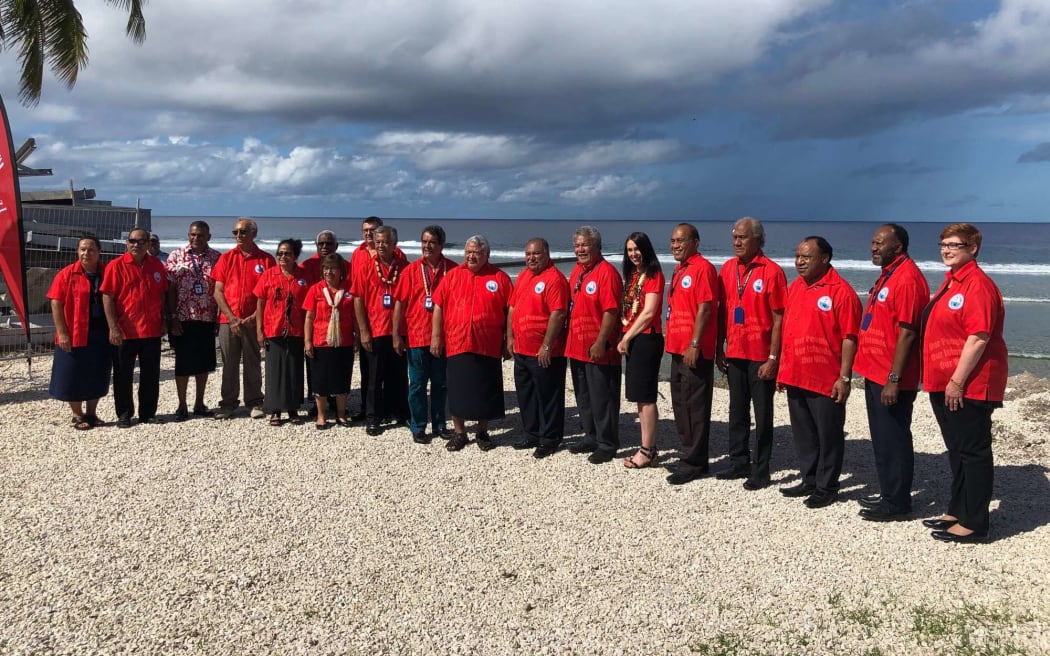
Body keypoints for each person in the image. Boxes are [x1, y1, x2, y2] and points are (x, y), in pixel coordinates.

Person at [921, 223, 1007, 543]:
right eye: (943, 244)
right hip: (943, 380)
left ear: (973, 249)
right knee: (956, 450)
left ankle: (975, 522)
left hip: (970, 383)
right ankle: (957, 510)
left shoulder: (978, 285)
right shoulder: (952, 280)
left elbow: (979, 337)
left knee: (973, 452)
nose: (947, 250)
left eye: (954, 245)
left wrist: (957, 381)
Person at [777, 236, 861, 508]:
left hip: (825, 378)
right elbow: (789, 330)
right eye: (797, 256)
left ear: (824, 259)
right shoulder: (796, 287)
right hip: (796, 374)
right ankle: (809, 479)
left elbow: (850, 338)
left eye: (806, 257)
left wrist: (844, 378)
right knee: (804, 433)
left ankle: (828, 486)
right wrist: (783, 370)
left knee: (829, 435)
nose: (799, 262)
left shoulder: (841, 292)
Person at [853, 224, 930, 521]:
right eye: (872, 242)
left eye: (880, 243)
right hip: (874, 371)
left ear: (898, 247)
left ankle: (897, 503)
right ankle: (888, 493)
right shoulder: (889, 274)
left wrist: (894, 379)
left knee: (894, 439)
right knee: (882, 439)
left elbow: (908, 333)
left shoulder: (907, 278)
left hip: (891, 377)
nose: (873, 247)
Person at [715, 217, 787, 490]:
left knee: (763, 414)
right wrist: (719, 347)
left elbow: (779, 318)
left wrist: (773, 358)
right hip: (735, 351)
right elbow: (722, 311)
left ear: (758, 239)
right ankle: (738, 461)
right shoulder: (727, 269)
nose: (737, 242)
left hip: (760, 355)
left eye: (742, 237)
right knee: (737, 411)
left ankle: (762, 468)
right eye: (734, 237)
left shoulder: (772, 272)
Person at [431, 235, 513, 452]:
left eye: (476, 252)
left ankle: (482, 432)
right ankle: (460, 433)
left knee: (485, 391)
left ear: (487, 254)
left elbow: (510, 310)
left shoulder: (500, 278)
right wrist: (436, 337)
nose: (471, 256)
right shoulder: (452, 276)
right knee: (457, 391)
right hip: (457, 342)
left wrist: (509, 339)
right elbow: (438, 306)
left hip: (488, 344)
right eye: (468, 252)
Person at [664, 223, 719, 484]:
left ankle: (694, 463)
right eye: (673, 241)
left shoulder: (703, 268)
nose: (675, 245)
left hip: (693, 351)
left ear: (695, 242)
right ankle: (691, 456)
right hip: (677, 348)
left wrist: (695, 344)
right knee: (680, 405)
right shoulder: (679, 269)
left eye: (681, 241)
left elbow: (705, 308)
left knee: (695, 408)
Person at [565, 226, 624, 465]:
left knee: (603, 397)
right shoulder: (577, 271)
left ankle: (607, 443)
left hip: (599, 348)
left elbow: (611, 311)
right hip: (577, 347)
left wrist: (601, 341)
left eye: (585, 245)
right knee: (584, 396)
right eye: (577, 245)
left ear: (597, 246)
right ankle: (590, 435)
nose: (580, 249)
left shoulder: (607, 273)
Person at [507, 238, 570, 459]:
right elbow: (512, 307)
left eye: (536, 254)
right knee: (526, 395)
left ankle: (549, 439)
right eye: (528, 254)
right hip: (522, 349)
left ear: (547, 254)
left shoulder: (555, 279)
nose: (531, 258)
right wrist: (510, 337)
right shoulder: (524, 276)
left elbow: (558, 314)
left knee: (548, 396)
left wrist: (547, 345)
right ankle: (531, 433)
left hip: (544, 352)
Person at [393, 225, 457, 444]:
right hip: (417, 337)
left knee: (441, 383)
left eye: (432, 242)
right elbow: (399, 304)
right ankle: (418, 426)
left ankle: (439, 424)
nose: (427, 246)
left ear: (441, 245)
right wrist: (396, 334)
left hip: (445, 338)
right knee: (417, 385)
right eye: (424, 241)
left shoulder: (453, 270)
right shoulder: (411, 271)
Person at [101, 227, 169, 427]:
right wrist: (113, 327)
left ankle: (148, 413)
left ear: (148, 244)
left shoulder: (156, 265)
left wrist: (164, 319)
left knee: (151, 375)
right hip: (125, 331)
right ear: (127, 243)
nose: (136, 244)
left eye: (141, 241)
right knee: (123, 375)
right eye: (132, 241)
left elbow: (162, 294)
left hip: (151, 330)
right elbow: (107, 297)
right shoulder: (116, 266)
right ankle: (124, 414)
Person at [47, 236, 114, 430]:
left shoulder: (107, 273)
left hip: (100, 331)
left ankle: (92, 413)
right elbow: (56, 303)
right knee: (72, 372)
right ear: (77, 251)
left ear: (99, 252)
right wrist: (62, 332)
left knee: (98, 372)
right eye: (83, 249)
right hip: (74, 331)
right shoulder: (66, 274)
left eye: (91, 249)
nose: (86, 253)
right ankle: (77, 414)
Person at [212, 217, 275, 419]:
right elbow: (218, 291)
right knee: (229, 364)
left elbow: (270, 293)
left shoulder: (266, 260)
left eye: (243, 231)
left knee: (252, 362)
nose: (238, 235)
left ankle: (255, 402)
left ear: (254, 233)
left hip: (254, 321)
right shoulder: (226, 258)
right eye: (236, 232)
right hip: (228, 321)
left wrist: (255, 316)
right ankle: (228, 404)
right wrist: (231, 318)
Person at [353, 224, 410, 436]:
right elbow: (358, 299)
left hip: (399, 330)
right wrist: (363, 331)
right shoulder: (366, 267)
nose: (381, 245)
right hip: (375, 329)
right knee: (374, 378)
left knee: (399, 374)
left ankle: (400, 412)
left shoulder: (405, 267)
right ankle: (373, 417)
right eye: (378, 242)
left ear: (394, 243)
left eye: (385, 242)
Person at [165, 220, 222, 421]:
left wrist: (219, 318)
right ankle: (182, 405)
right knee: (182, 363)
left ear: (209, 237)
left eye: (200, 235)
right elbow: (170, 289)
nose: (196, 238)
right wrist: (172, 317)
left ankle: (199, 403)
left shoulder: (217, 258)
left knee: (203, 363)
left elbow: (221, 289)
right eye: (192, 234)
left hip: (207, 318)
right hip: (183, 317)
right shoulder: (176, 256)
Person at [617, 232, 665, 469]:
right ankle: (646, 446)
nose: (634, 254)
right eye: (629, 250)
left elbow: (648, 313)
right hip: (634, 337)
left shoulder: (654, 274)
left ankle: (648, 449)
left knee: (646, 396)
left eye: (637, 249)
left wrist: (627, 337)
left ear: (646, 249)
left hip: (647, 338)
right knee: (638, 396)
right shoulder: (632, 275)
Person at [254, 239, 311, 425]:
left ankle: (293, 408)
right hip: (274, 329)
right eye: (279, 253)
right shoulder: (269, 274)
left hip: (297, 329)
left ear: (295, 256)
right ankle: (275, 410)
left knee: (294, 369)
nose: (282, 257)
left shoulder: (304, 276)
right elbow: (260, 304)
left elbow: (310, 306)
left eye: (287, 253)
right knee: (274, 370)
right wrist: (259, 331)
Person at [304, 254, 358, 429]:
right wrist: (307, 341)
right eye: (326, 268)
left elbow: (355, 315)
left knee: (342, 378)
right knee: (320, 380)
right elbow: (309, 317)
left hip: (344, 341)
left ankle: (341, 414)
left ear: (341, 271)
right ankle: (321, 415)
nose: (329, 272)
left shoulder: (350, 289)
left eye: (333, 268)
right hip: (321, 341)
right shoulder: (315, 289)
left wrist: (358, 336)